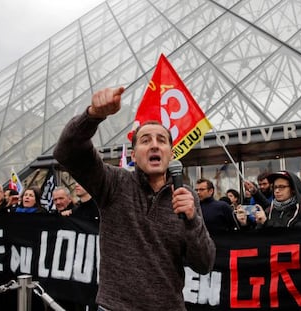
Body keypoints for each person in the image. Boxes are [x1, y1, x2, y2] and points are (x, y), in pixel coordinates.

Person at [53, 86, 215, 310]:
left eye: (161, 140)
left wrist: (192, 220)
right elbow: (67, 152)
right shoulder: (114, 182)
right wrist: (92, 116)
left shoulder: (187, 197)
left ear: (171, 152)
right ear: (133, 154)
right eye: (146, 140)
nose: (154, 144)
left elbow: (204, 264)